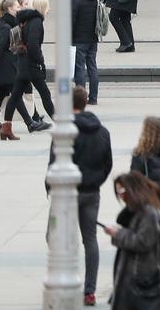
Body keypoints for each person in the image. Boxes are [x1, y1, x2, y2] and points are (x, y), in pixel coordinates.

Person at [47, 86, 112, 306]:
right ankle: (90, 290)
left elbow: (53, 161)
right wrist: (96, 181)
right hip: (92, 191)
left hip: (67, 191)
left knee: (54, 235)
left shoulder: (64, 130)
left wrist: (50, 186)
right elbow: (107, 163)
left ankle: (64, 278)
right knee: (90, 239)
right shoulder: (102, 131)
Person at [105, 172, 160, 310]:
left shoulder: (149, 213)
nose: (120, 196)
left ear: (133, 190)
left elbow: (143, 242)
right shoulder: (135, 212)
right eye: (117, 192)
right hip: (133, 281)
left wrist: (118, 234)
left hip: (143, 282)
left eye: (122, 191)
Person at [0, 0, 35, 136]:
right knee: (15, 94)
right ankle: (29, 122)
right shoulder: (5, 27)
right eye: (17, 7)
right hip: (6, 67)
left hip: (8, 65)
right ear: (10, 10)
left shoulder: (9, 25)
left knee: (1, 94)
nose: (19, 9)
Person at [6, 0, 55, 133]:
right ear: (41, 8)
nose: (49, 10)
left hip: (23, 63)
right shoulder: (36, 22)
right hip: (31, 65)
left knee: (15, 95)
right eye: (47, 7)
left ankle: (6, 127)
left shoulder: (28, 20)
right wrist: (40, 61)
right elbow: (33, 45)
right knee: (45, 94)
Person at [66, 0, 102, 107]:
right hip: (92, 37)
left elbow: (71, 21)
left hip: (79, 39)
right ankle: (93, 98)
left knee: (79, 69)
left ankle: (80, 99)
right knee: (92, 66)